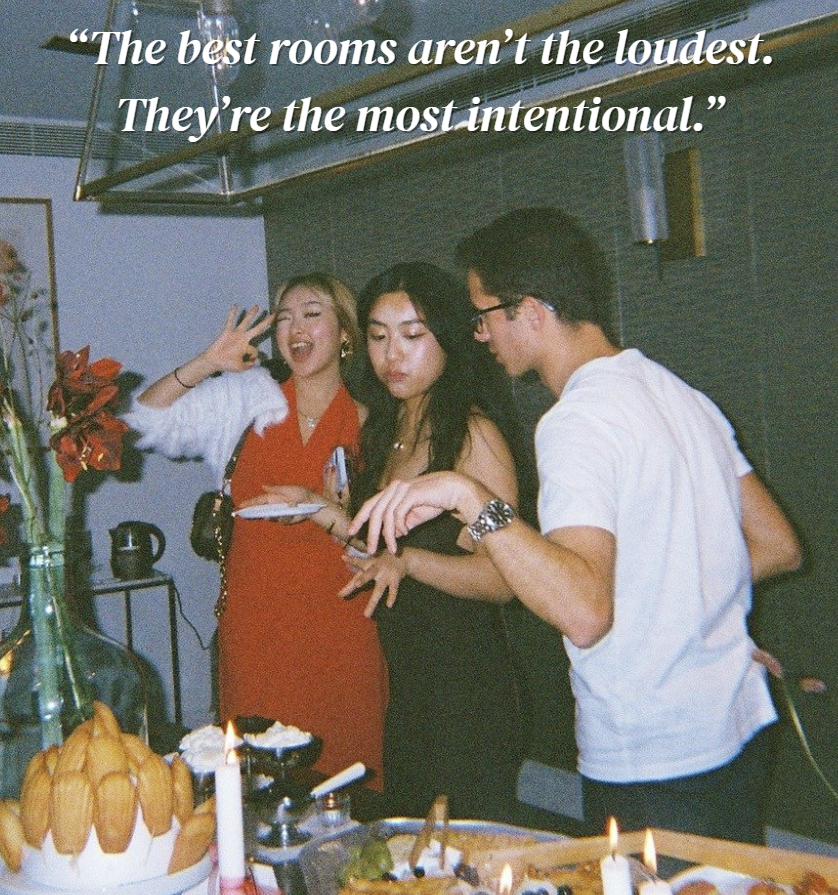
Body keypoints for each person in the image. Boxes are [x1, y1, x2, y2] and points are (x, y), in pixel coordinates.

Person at [348, 209, 802, 842]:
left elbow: (583, 613)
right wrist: (675, 606)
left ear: (529, 311)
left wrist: (468, 495)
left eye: (483, 315)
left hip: (653, 752)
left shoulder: (575, 422)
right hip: (734, 723)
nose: (480, 334)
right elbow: (776, 545)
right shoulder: (676, 393)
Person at [243, 263, 525, 821]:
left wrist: (412, 561)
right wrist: (323, 510)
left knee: (461, 851)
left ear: (447, 339)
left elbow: (504, 579)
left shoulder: (473, 436)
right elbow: (379, 554)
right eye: (378, 337)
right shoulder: (390, 429)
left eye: (412, 335)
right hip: (405, 682)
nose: (392, 355)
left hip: (464, 687)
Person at [125, 273, 386, 783]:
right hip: (256, 629)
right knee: (255, 776)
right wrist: (207, 363)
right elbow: (145, 421)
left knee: (344, 780)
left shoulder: (375, 423)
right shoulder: (245, 400)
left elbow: (384, 544)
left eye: (312, 314)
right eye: (284, 318)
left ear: (345, 333)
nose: (295, 328)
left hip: (344, 632)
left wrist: (329, 511)